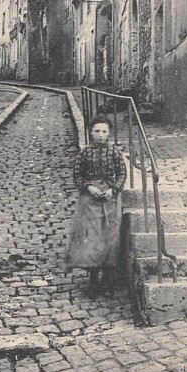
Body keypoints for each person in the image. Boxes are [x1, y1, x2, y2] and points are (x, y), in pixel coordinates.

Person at [65, 114, 127, 297]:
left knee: (110, 236)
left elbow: (122, 173)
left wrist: (113, 190)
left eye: (104, 131)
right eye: (97, 131)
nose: (100, 135)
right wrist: (89, 187)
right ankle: (93, 281)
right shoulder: (84, 153)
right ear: (90, 133)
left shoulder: (114, 152)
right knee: (92, 237)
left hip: (109, 198)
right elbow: (77, 176)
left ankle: (108, 280)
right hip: (90, 199)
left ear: (109, 133)